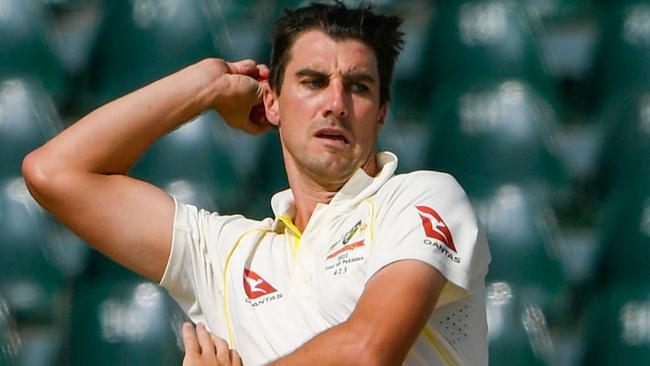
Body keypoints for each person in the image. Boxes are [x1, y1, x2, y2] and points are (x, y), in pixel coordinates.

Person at [22, 1, 490, 365]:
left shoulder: (422, 198)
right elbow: (54, 173)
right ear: (272, 103)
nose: (336, 103)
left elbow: (366, 352)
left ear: (382, 114)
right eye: (312, 81)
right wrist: (205, 85)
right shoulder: (226, 256)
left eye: (359, 87)